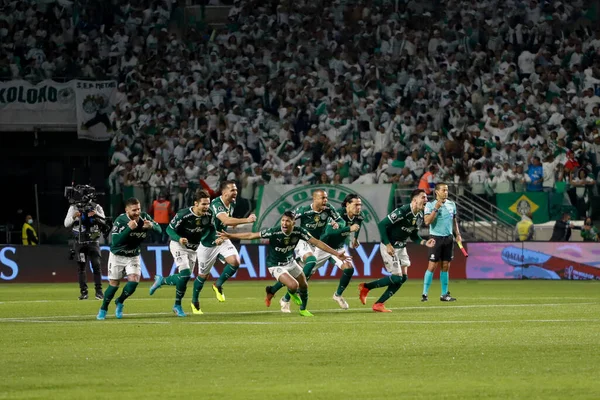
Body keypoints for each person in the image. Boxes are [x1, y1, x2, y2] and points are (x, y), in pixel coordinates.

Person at [218, 211, 350, 317]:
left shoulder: (299, 231)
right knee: (294, 285)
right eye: (282, 220)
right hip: (275, 265)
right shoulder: (275, 231)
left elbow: (317, 243)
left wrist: (336, 253)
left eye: (287, 221)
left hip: (290, 262)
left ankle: (303, 310)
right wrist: (231, 236)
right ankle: (291, 294)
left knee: (304, 284)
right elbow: (252, 235)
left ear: (293, 222)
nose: (284, 223)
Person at [268, 194, 362, 310]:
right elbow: (328, 233)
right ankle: (285, 298)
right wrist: (347, 229)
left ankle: (337, 295)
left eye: (360, 205)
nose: (359, 207)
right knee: (302, 274)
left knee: (349, 268)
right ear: (348, 204)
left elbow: (354, 224)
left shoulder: (356, 216)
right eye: (356, 204)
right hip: (322, 246)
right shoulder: (333, 212)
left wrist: (355, 238)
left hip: (337, 248)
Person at [359, 189, 436, 312]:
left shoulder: (420, 216)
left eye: (427, 198)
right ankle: (366, 287)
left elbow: (414, 235)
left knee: (403, 278)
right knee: (396, 278)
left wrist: (424, 242)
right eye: (423, 197)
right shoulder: (403, 211)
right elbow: (381, 224)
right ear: (414, 200)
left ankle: (378, 303)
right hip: (389, 246)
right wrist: (388, 244)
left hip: (401, 247)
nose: (426, 200)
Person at [148, 190, 222, 316]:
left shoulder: (209, 214)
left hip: (194, 248)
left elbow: (211, 229)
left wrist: (215, 239)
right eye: (203, 204)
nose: (206, 207)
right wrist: (179, 239)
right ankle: (177, 306)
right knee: (186, 273)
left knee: (185, 278)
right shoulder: (183, 214)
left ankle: (162, 281)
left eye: (208, 204)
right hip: (178, 245)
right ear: (196, 203)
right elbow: (169, 230)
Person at [96, 198, 162, 320]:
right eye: (134, 210)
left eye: (139, 209)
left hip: (133, 256)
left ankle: (120, 301)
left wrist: (151, 226)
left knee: (134, 281)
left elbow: (160, 230)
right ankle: (104, 308)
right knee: (114, 285)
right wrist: (128, 229)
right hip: (117, 256)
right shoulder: (121, 221)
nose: (137, 212)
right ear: (127, 210)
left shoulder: (144, 217)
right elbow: (115, 242)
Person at [204, 181, 257, 303]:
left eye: (236, 190)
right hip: (207, 240)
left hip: (221, 237)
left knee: (235, 262)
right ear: (224, 192)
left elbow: (226, 222)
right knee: (203, 276)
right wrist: (247, 220)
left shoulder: (232, 203)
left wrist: (234, 224)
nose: (235, 193)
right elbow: (226, 220)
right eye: (232, 190)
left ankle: (217, 285)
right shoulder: (217, 204)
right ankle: (194, 302)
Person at [422, 183, 462, 302]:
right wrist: (436, 208)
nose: (446, 192)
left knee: (445, 266)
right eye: (443, 190)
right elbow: (427, 222)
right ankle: (424, 294)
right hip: (436, 238)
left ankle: (444, 294)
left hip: (448, 238)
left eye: (447, 190)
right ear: (437, 192)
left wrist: (458, 234)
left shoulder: (452, 204)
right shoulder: (429, 205)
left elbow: (454, 221)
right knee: (432, 266)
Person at [64, 201, 107, 300]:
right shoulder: (74, 207)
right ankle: (84, 292)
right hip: (80, 242)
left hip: (93, 241)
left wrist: (96, 214)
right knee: (81, 268)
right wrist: (74, 216)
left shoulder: (97, 206)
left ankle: (99, 292)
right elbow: (66, 224)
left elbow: (104, 221)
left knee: (96, 266)